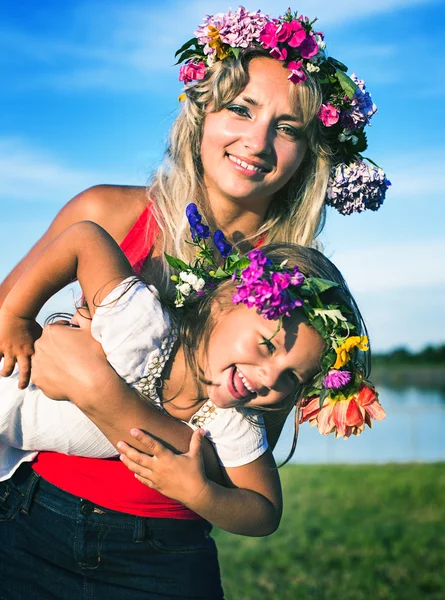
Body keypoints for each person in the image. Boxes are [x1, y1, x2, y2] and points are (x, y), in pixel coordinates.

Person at [0, 6, 389, 599]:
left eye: (287, 128)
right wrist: (40, 326)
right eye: (241, 109)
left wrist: (102, 394)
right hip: (28, 520)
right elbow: (9, 335)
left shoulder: (296, 298)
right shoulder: (109, 213)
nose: (257, 142)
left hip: (162, 555)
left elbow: (236, 470)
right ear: (201, 111)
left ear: (310, 151)